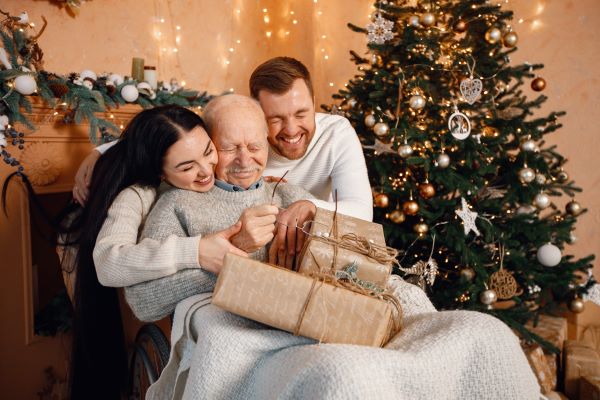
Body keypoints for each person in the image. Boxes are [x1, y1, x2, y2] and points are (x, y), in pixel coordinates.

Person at [73, 56, 372, 269]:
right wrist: (102, 152)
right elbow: (173, 134)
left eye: (301, 113)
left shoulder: (336, 133)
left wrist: (312, 208)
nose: (291, 130)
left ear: (314, 102)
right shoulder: (226, 137)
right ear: (255, 114)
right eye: (275, 119)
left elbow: (362, 214)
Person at [66, 105, 263, 400]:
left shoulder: (215, 173)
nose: (206, 171)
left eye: (209, 152)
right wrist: (195, 251)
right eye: (186, 167)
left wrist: (99, 151)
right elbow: (107, 263)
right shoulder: (138, 195)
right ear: (159, 170)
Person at [123, 94, 314, 321]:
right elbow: (142, 301)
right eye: (229, 149)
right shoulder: (177, 204)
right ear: (209, 144)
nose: (244, 161)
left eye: (254, 147)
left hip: (302, 328)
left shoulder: (293, 197)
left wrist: (316, 214)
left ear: (267, 142)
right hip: (230, 335)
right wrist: (229, 258)